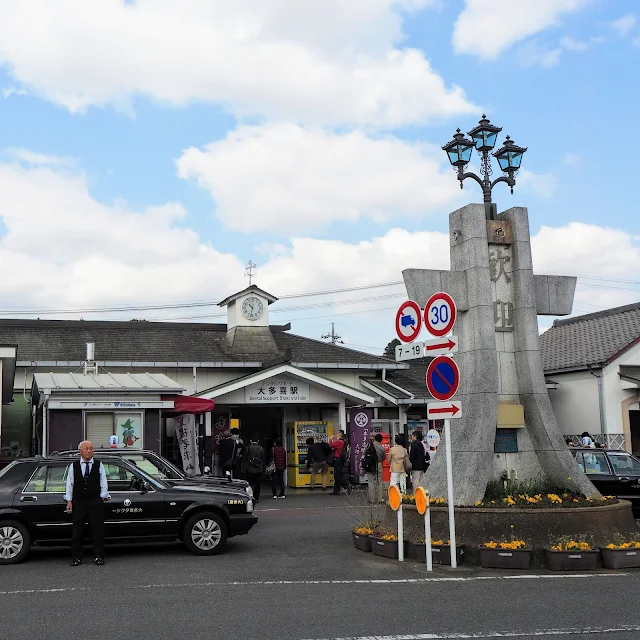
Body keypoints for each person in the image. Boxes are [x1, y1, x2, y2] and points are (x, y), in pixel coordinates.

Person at [64, 440, 110, 566]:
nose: (89, 451)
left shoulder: (98, 464)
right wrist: (69, 500)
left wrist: (101, 498)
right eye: (86, 448)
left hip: (95, 501)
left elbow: (103, 482)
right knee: (77, 530)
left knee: (97, 530)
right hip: (78, 502)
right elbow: (70, 483)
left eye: (91, 448)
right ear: (80, 451)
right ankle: (76, 557)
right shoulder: (73, 466)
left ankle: (99, 556)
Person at [363, 434, 386, 503]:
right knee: (379, 481)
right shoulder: (382, 448)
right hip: (378, 464)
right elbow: (383, 458)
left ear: (375, 439)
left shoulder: (369, 446)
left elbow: (364, 453)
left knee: (371, 481)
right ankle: (380, 499)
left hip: (370, 464)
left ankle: (372, 499)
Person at [329, 430, 351, 495]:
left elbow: (330, 445)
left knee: (337, 475)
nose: (336, 434)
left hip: (338, 460)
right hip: (340, 460)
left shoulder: (340, 442)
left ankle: (346, 485)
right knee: (338, 475)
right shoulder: (342, 441)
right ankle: (337, 490)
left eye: (337, 433)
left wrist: (331, 439)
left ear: (339, 434)